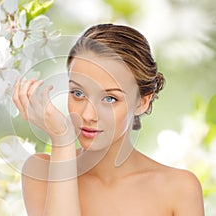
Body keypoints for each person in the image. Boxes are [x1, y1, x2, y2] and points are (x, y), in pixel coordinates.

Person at [13, 24, 204, 216]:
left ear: (142, 102)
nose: (88, 114)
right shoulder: (42, 172)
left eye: (110, 98)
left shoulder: (179, 189)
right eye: (78, 93)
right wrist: (62, 142)